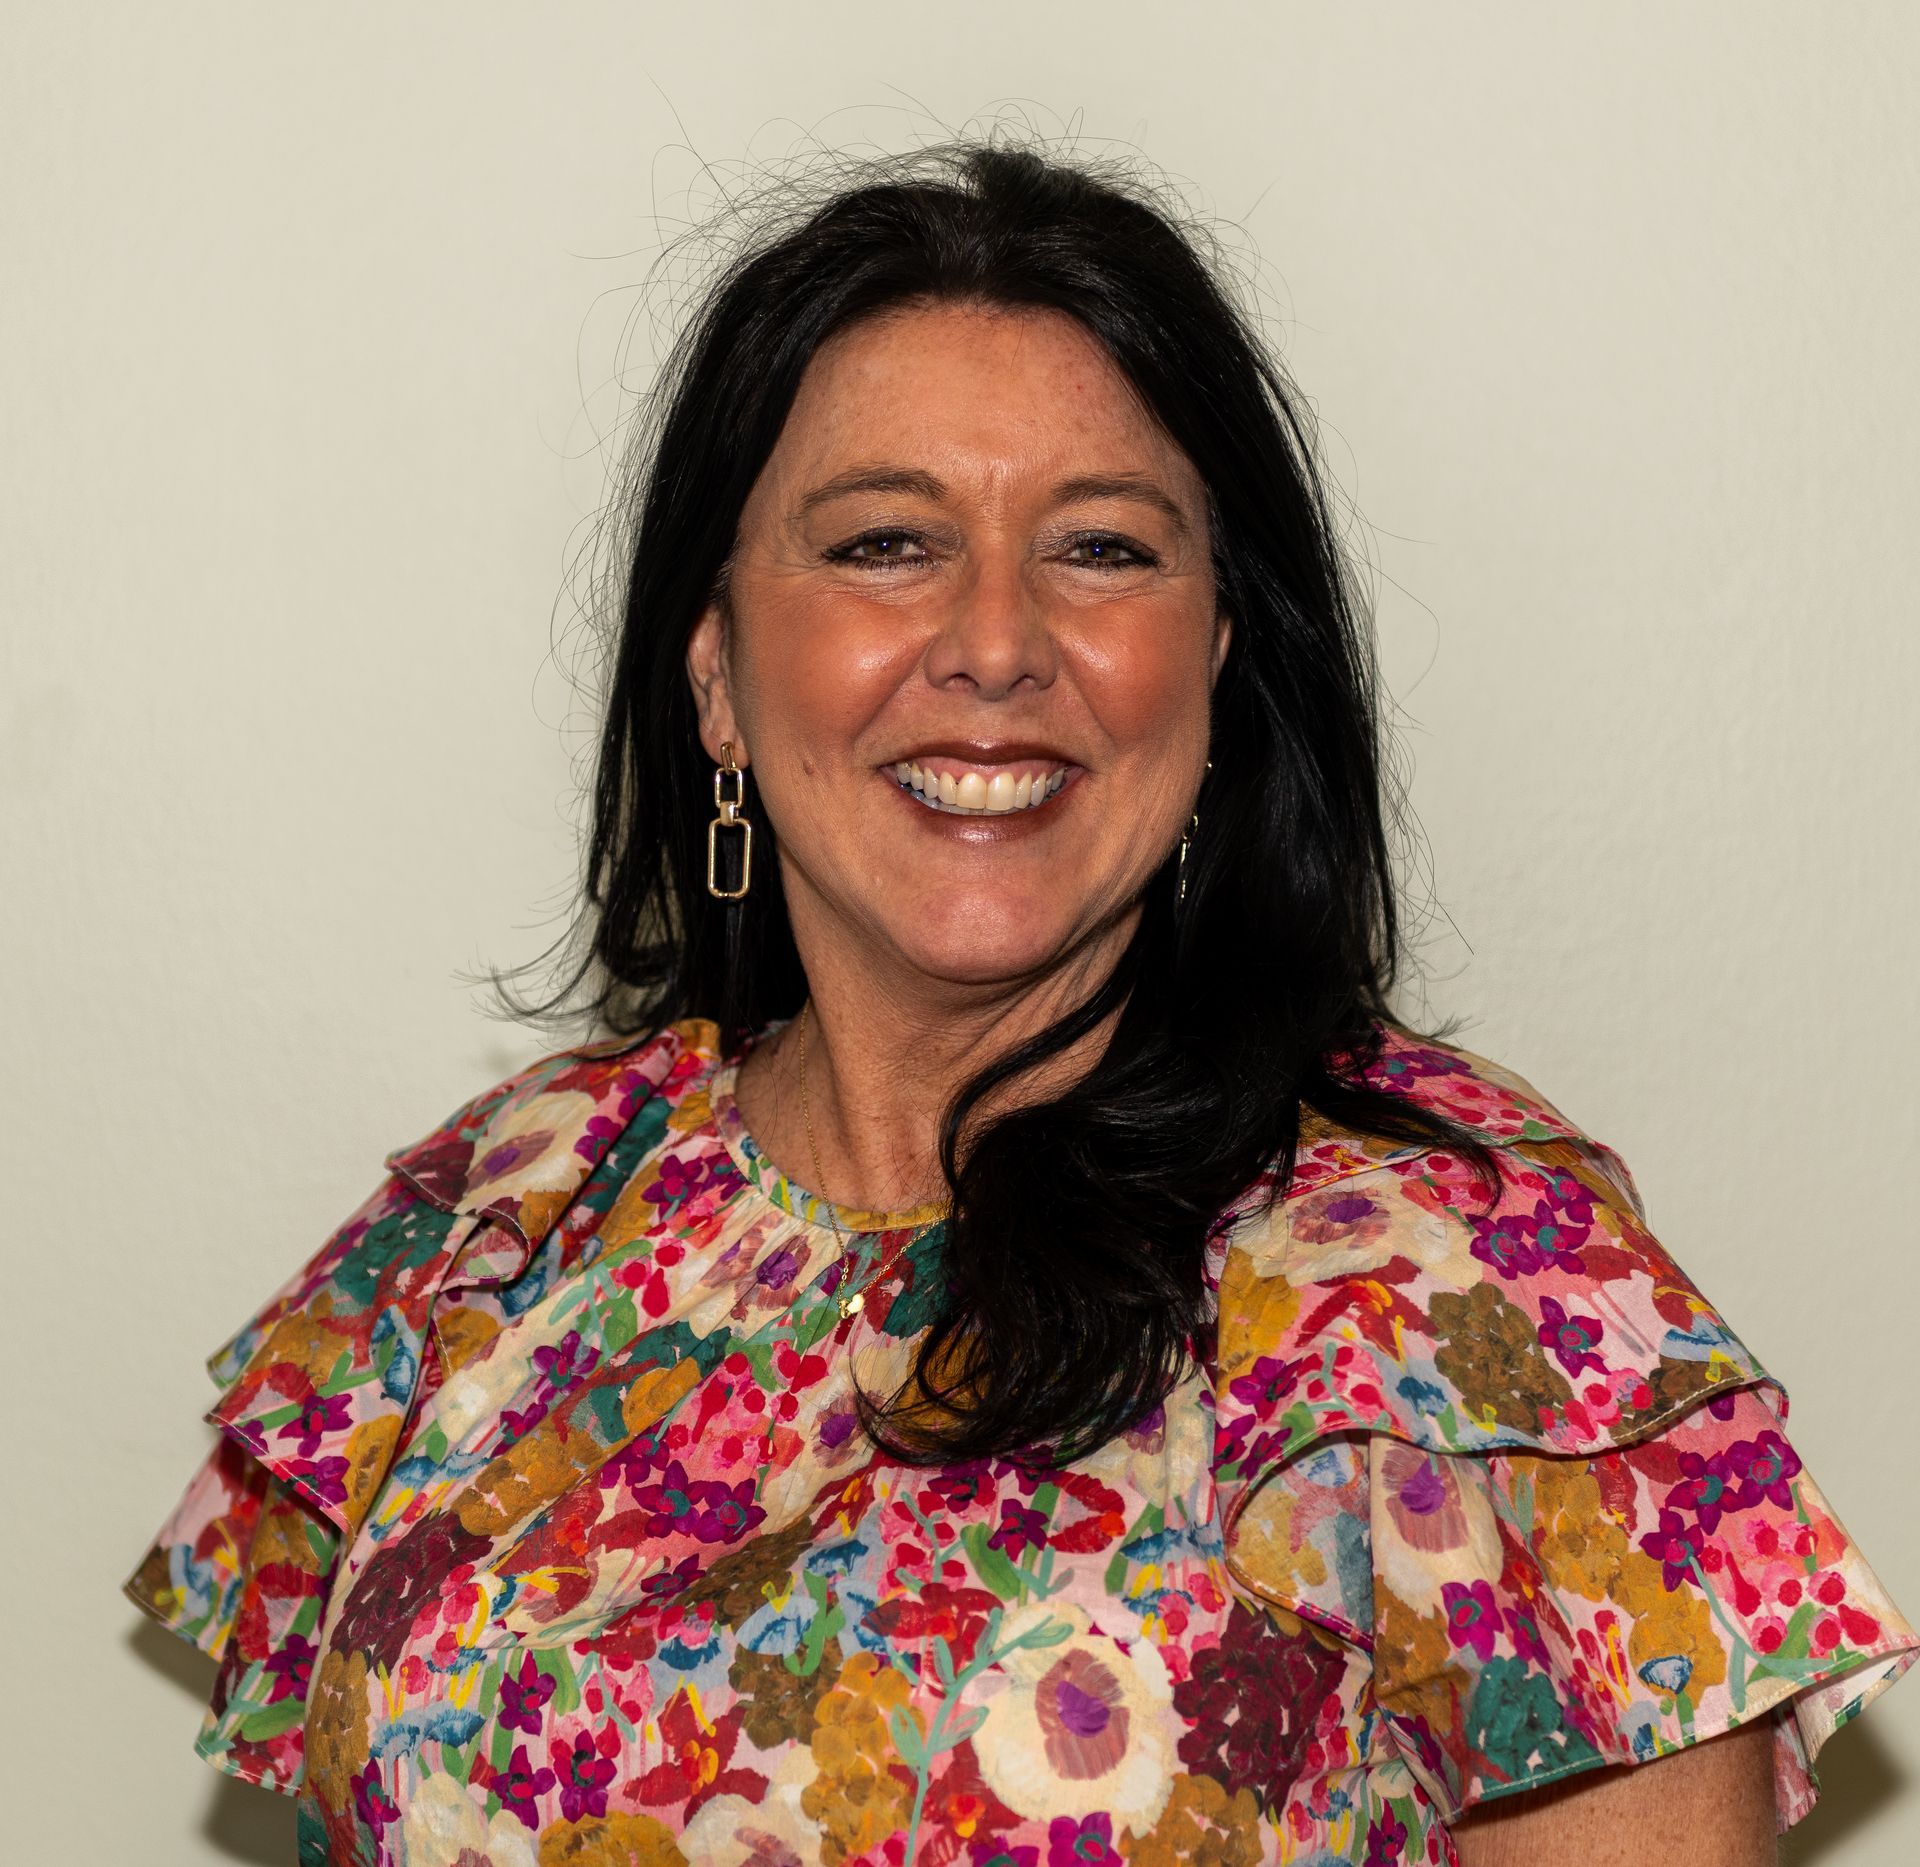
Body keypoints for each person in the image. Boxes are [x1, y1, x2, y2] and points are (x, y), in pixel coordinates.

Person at [127, 140, 1914, 1867]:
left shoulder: (1472, 1292)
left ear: (1216, 663)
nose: (994, 643)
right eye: (884, 543)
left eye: (1104, 550)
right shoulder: (490, 1232)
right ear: (718, 672)